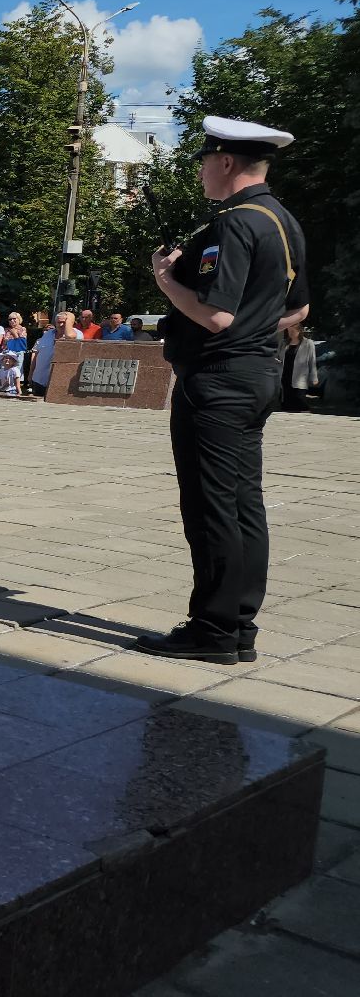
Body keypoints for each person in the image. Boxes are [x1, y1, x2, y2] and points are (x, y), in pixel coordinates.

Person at [137, 117, 308, 665]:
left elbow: (214, 314)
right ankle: (238, 625)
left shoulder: (235, 223)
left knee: (211, 506)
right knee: (242, 504)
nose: (202, 170)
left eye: (206, 160)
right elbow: (298, 309)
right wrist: (256, 330)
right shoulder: (282, 220)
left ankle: (211, 629)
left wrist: (166, 280)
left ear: (226, 162)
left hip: (217, 381)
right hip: (256, 374)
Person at [29, 311, 79, 398]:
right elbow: (37, 355)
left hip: (61, 383)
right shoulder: (47, 334)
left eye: (64, 322)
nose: (61, 325)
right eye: (59, 322)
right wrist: (31, 373)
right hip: (40, 379)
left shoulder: (77, 334)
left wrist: (69, 320)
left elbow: (70, 336)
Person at [281, 324, 317, 412]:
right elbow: (279, 357)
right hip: (285, 377)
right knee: (287, 403)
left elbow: (312, 361)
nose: (291, 333)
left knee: (300, 400)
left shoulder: (308, 343)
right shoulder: (284, 343)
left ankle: (306, 417)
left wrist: (314, 377)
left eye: (293, 331)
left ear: (299, 331)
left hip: (299, 377)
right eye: (289, 331)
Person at [0, 311, 30, 394]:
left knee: (16, 372)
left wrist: (14, 333)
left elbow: (22, 343)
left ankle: (17, 390)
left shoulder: (22, 329)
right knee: (4, 371)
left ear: (18, 319)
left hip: (17, 353)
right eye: (10, 319)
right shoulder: (6, 330)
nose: (12, 321)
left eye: (14, 318)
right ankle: (5, 389)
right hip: (6, 353)